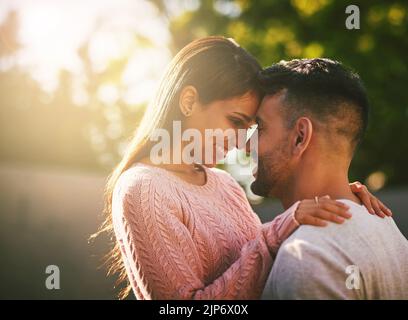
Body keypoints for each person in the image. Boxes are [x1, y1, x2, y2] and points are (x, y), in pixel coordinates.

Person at [92, 37, 388, 300]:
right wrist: (279, 230)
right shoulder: (142, 188)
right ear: (189, 100)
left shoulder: (224, 183)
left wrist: (336, 197)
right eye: (235, 121)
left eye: (250, 127)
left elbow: (257, 268)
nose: (239, 142)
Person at [250, 58, 408, 299]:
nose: (246, 143)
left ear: (300, 137)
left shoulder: (306, 258)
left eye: (259, 127)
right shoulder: (389, 230)